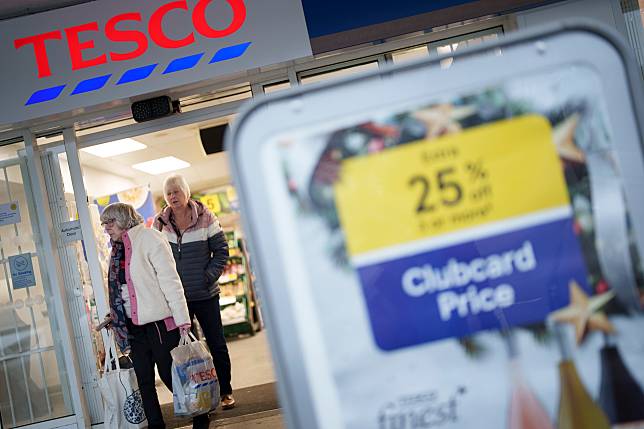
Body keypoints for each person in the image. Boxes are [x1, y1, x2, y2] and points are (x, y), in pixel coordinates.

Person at [99, 202, 210, 429]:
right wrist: (117, 314)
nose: (106, 227)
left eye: (110, 222)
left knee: (171, 376)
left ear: (124, 220)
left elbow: (171, 281)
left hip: (160, 323)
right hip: (134, 327)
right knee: (144, 380)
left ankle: (200, 414)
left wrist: (182, 319)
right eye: (104, 223)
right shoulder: (117, 250)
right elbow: (124, 289)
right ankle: (156, 425)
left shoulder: (150, 239)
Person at [154, 174, 235, 410]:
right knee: (187, 349)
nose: (172, 196)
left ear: (186, 193)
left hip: (205, 294)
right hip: (177, 300)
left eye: (176, 191)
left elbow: (221, 251)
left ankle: (226, 391)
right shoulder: (160, 223)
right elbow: (153, 258)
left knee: (216, 343)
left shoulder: (206, 217)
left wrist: (207, 277)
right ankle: (199, 398)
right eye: (168, 193)